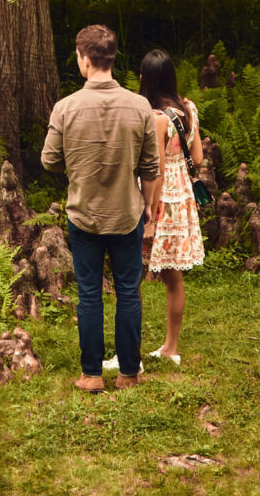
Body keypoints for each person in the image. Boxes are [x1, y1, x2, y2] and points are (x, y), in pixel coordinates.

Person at [40, 23, 160, 392]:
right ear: (111, 58)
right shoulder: (140, 106)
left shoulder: (66, 107)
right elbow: (151, 167)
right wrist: (150, 209)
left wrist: (76, 164)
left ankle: (91, 375)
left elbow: (49, 160)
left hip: (83, 214)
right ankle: (128, 373)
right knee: (128, 293)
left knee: (89, 294)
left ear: (84, 59)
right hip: (127, 215)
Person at [138, 48, 204, 365]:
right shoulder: (188, 108)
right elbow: (200, 159)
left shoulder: (156, 118)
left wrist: (150, 215)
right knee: (174, 277)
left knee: (132, 276)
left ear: (146, 80)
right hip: (183, 199)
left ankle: (128, 349)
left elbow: (157, 172)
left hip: (160, 201)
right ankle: (171, 347)